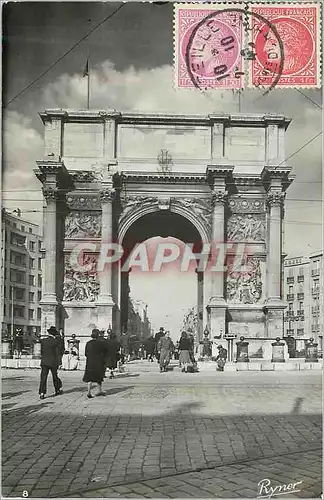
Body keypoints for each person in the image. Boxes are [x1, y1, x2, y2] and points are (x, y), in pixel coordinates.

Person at [39, 326, 63, 399]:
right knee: (55, 376)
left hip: (44, 361)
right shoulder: (56, 341)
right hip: (53, 362)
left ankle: (42, 393)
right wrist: (60, 363)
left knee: (43, 377)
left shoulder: (43, 341)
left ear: (48, 333)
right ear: (55, 334)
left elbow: (42, 352)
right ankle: (57, 389)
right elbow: (58, 353)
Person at [83, 329, 107, 398]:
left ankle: (88, 392)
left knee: (89, 377)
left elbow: (86, 353)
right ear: (97, 336)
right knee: (99, 377)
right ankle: (99, 390)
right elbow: (105, 352)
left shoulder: (88, 343)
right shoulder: (100, 343)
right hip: (98, 362)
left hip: (90, 362)